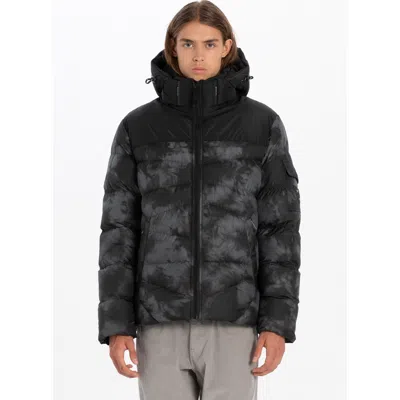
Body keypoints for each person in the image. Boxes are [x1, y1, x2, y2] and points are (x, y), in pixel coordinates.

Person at [97, 1, 301, 399]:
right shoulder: (138, 127)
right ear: (173, 47)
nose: (198, 56)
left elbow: (279, 231)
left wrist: (277, 323)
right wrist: (117, 325)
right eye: (188, 44)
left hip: (235, 321)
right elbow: (119, 231)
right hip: (159, 321)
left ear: (226, 47)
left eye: (209, 44)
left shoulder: (262, 125)